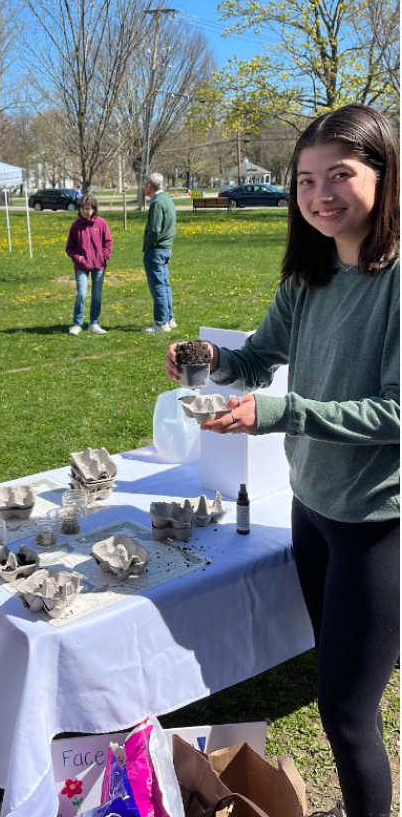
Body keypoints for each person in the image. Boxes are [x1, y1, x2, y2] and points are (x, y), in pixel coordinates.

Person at [165, 105, 399, 817]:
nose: (320, 195)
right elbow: (258, 358)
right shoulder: (310, 274)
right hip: (313, 511)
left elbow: (396, 414)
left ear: (384, 176)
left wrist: (278, 414)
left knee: (348, 713)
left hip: (376, 525)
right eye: (304, 180)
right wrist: (208, 360)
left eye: (340, 176)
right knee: (337, 692)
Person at [65, 193, 113, 335]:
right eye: (84, 208)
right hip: (81, 267)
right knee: (81, 294)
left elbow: (108, 243)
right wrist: (78, 258)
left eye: (89, 208)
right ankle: (77, 323)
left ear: (94, 209)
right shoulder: (75, 226)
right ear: (79, 209)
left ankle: (94, 323)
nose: (86, 211)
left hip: (99, 266)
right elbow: (69, 248)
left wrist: (103, 257)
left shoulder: (101, 223)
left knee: (97, 295)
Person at [141, 172, 177, 334]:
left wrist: (148, 246)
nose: (143, 187)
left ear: (149, 186)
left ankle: (161, 323)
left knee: (158, 288)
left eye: (144, 184)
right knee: (165, 285)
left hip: (156, 250)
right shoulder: (167, 200)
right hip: (166, 248)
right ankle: (169, 319)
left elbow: (155, 230)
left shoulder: (157, 203)